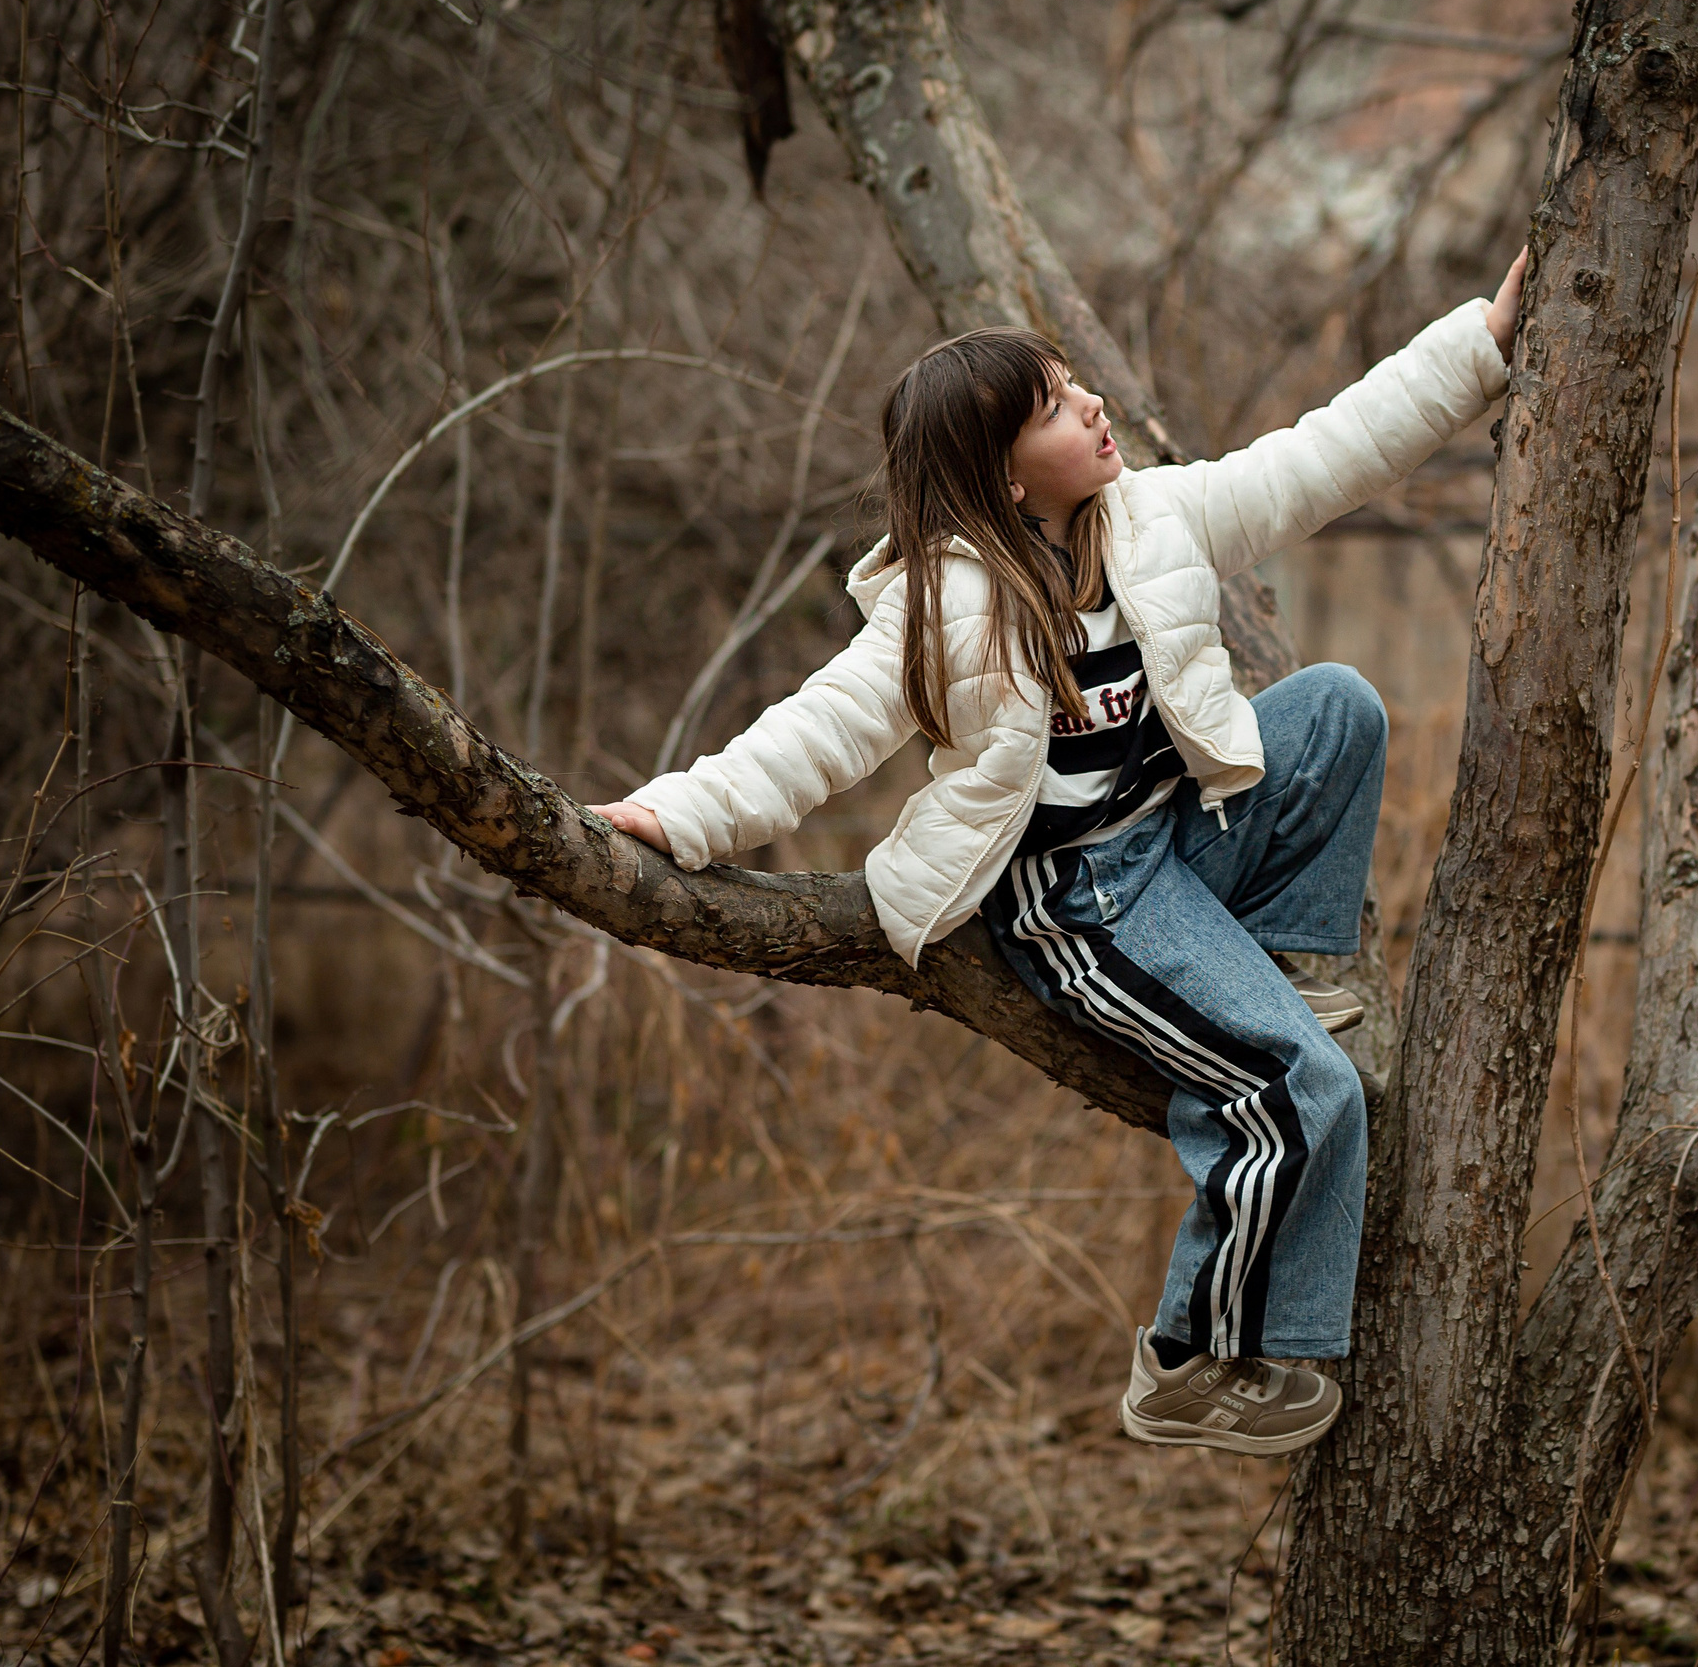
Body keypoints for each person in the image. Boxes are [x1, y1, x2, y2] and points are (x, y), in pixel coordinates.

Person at [593, 252, 1525, 1456]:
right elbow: (814, 733)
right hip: (1079, 902)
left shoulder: (1152, 519)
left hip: (1184, 844)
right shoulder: (946, 608)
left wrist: (1480, 349)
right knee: (1301, 1091)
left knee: (1335, 702)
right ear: (999, 473)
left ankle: (1289, 970)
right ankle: (1194, 1355)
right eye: (1054, 404)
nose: (1092, 405)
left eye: (1077, 383)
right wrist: (680, 813)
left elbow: (1322, 454)